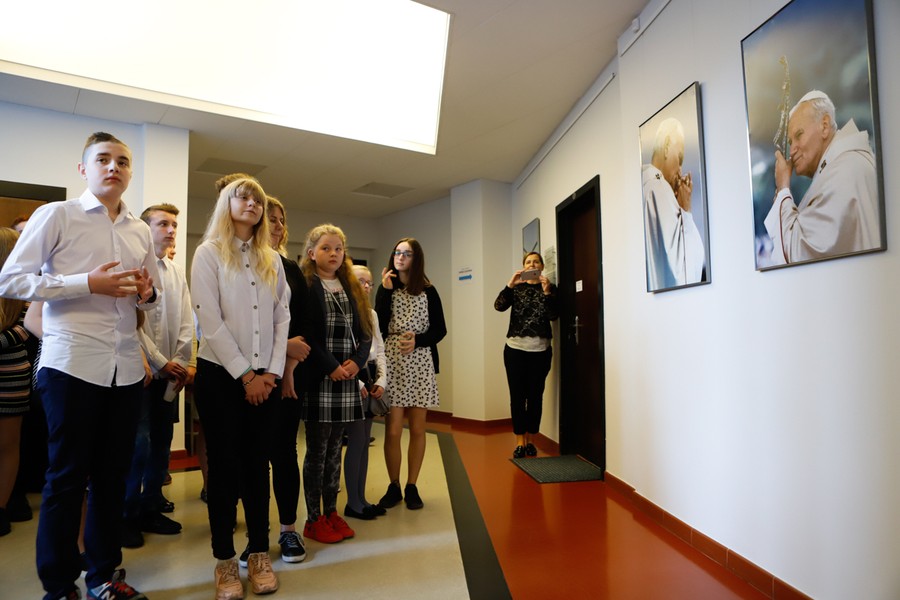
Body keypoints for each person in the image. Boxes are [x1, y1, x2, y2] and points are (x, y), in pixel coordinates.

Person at [0, 132, 159, 600]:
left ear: (130, 172)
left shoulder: (139, 230)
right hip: (71, 362)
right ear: (83, 169)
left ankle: (103, 577)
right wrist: (85, 282)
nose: (114, 167)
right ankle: (58, 587)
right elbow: (11, 280)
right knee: (67, 478)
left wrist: (147, 292)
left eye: (122, 161)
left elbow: (150, 297)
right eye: (103, 159)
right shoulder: (58, 215)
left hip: (124, 366)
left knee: (113, 479)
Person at [191, 177, 289, 599]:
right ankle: (225, 561)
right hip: (220, 377)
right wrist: (246, 375)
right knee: (224, 467)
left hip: (266, 378)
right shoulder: (208, 252)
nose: (251, 203)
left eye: (258, 200)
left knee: (257, 466)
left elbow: (282, 318)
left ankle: (259, 554)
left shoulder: (272, 259)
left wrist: (271, 373)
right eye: (243, 196)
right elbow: (209, 321)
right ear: (226, 204)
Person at [240, 195, 310, 566]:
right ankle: (256, 538)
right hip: (248, 376)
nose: (278, 225)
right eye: (271, 218)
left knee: (284, 453)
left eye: (282, 219)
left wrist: (287, 368)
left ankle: (288, 530)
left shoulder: (292, 269)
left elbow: (304, 327)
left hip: (287, 379)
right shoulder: (238, 263)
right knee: (253, 457)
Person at [121, 204, 193, 548]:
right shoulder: (133, 269)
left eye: (174, 224)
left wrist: (180, 360)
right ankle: (126, 515)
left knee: (162, 443)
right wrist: (161, 361)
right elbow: (131, 324)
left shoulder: (176, 272)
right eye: (163, 223)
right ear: (145, 228)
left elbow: (186, 320)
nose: (171, 230)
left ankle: (151, 506)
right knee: (138, 444)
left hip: (170, 373)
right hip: (142, 371)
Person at [298, 224, 371, 543]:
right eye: (326, 248)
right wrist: (331, 367)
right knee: (318, 450)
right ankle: (313, 519)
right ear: (311, 253)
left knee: (335, 451)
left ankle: (331, 512)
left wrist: (356, 361)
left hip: (347, 377)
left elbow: (366, 331)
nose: (333, 254)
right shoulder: (306, 285)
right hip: (320, 377)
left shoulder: (350, 286)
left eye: (338, 249)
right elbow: (307, 334)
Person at [766, 90, 880, 265]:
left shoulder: (844, 172)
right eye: (790, 142)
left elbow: (796, 251)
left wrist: (783, 188)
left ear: (824, 126)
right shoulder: (845, 164)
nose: (792, 149)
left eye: (799, 135)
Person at [375, 238, 446, 511]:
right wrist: (384, 292)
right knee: (393, 430)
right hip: (392, 361)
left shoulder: (429, 290)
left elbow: (440, 329)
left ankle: (412, 485)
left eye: (407, 253)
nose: (400, 257)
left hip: (420, 361)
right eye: (397, 252)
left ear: (416, 259)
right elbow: (379, 326)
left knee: (417, 429)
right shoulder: (387, 288)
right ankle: (393, 485)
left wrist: (419, 341)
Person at [494, 252, 559, 458]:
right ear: (523, 267)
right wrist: (510, 285)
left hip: (541, 351)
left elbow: (554, 315)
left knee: (535, 397)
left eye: (536, 261)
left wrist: (547, 293)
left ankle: (531, 439)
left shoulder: (550, 288)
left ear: (541, 266)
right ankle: (520, 441)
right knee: (517, 397)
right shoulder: (516, 288)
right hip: (515, 350)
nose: (532, 264)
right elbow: (498, 306)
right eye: (528, 262)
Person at [343, 264, 388, 520]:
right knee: (357, 441)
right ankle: (353, 502)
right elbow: (344, 353)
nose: (367, 286)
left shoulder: (371, 314)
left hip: (371, 377)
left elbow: (379, 348)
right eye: (361, 281)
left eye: (369, 282)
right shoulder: (344, 312)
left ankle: (361, 499)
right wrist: (357, 383)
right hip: (353, 379)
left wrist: (382, 380)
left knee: (364, 444)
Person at [642, 117, 706, 290]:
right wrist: (685, 208)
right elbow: (684, 274)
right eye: (680, 157)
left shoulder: (644, 185)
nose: (680, 170)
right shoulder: (659, 188)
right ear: (667, 145)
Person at [0, 228, 31, 537]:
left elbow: (25, 328)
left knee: (8, 445)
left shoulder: (24, 286)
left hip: (11, 374)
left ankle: (1, 509)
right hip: (13, 371)